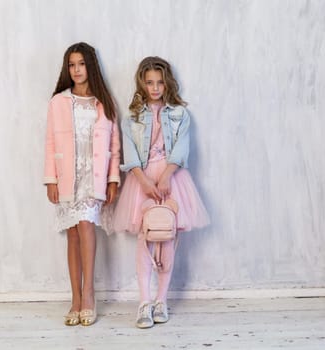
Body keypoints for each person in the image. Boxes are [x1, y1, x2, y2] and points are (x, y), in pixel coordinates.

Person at [113, 56, 210, 328]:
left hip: (172, 178)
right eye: (149, 83)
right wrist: (143, 182)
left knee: (167, 238)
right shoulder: (132, 116)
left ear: (167, 83)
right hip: (142, 180)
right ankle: (144, 302)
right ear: (142, 84)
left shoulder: (180, 113)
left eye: (160, 82)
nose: (155, 88)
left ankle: (161, 300)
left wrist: (166, 176)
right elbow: (130, 151)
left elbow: (181, 147)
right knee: (146, 240)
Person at [43, 42, 120, 326]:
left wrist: (113, 179)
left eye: (81, 64)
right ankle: (74, 298)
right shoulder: (58, 102)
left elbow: (114, 143)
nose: (76, 70)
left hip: (93, 176)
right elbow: (50, 141)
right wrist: (50, 179)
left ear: (91, 66)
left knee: (87, 226)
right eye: (71, 65)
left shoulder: (104, 102)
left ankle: (89, 295)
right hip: (67, 176)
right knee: (73, 234)